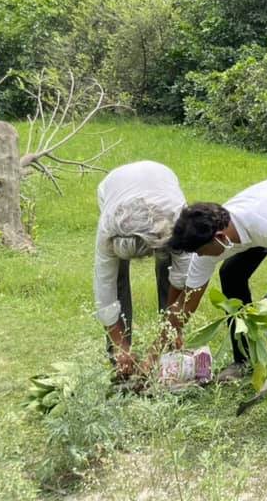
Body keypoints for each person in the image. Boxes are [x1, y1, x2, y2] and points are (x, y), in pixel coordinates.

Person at [166, 178, 267, 386]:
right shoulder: (212, 240)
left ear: (220, 238)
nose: (199, 256)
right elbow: (186, 304)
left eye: (200, 251)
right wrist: (160, 346)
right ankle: (243, 360)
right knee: (230, 274)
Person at [94, 160, 191, 379]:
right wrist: (120, 346)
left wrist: (170, 330)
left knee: (168, 267)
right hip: (113, 186)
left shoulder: (178, 219)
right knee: (116, 276)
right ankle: (119, 359)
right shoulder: (107, 228)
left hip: (163, 181)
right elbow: (105, 289)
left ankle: (170, 345)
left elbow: (183, 277)